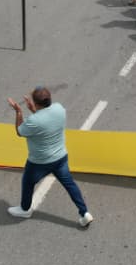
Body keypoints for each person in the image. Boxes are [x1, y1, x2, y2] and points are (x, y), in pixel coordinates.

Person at [6, 87, 94, 228]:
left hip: (39, 163)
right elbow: (46, 122)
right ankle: (84, 213)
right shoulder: (59, 109)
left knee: (28, 182)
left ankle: (25, 209)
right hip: (60, 158)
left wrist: (18, 111)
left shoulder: (34, 121)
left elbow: (20, 131)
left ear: (35, 103)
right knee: (70, 185)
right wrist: (35, 110)